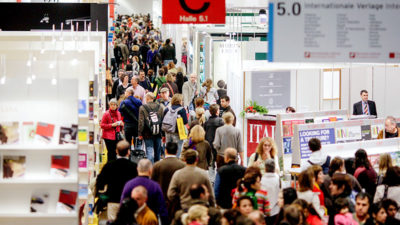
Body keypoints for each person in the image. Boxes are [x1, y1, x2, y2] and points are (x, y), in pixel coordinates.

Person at [95, 140, 138, 221]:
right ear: (128, 152)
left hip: (113, 200)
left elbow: (100, 181)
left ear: (116, 151)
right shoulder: (134, 167)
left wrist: (101, 195)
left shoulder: (109, 165)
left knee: (113, 221)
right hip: (129, 201)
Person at [120, 159, 168, 225]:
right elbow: (162, 210)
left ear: (137, 169)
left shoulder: (129, 185)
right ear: (150, 171)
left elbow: (122, 205)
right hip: (150, 221)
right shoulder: (155, 186)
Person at [151, 142, 185, 222]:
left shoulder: (157, 165)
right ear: (177, 151)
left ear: (165, 150)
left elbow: (153, 183)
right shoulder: (182, 165)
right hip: (177, 200)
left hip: (162, 199)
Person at [138, 93, 163, 163]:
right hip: (158, 132)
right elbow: (162, 120)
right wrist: (162, 133)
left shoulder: (142, 107)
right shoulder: (160, 107)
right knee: (157, 151)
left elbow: (141, 122)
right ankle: (157, 168)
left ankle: (150, 168)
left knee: (149, 151)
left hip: (147, 132)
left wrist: (140, 133)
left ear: (147, 98)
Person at [261, 159, 280, 224]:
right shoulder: (278, 179)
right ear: (274, 168)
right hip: (276, 210)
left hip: (264, 211)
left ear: (265, 168)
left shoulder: (261, 180)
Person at [204, 104, 224, 168]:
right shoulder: (221, 121)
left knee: (211, 164)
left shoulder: (206, 123)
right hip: (218, 144)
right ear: (217, 111)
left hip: (209, 143)